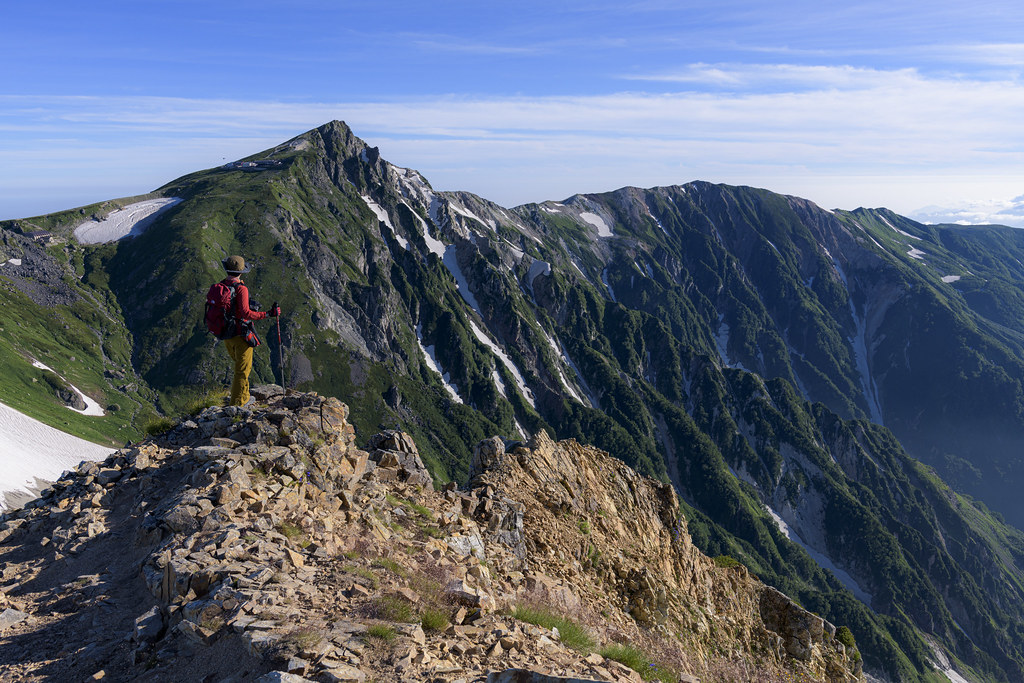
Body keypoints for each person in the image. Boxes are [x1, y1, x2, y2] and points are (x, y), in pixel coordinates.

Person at [218, 255, 279, 406]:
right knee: (242, 371)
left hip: (227, 333)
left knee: (240, 366)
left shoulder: (222, 285)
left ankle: (244, 397)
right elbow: (246, 313)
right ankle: (237, 406)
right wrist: (268, 314)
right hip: (241, 334)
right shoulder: (241, 289)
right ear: (241, 272)